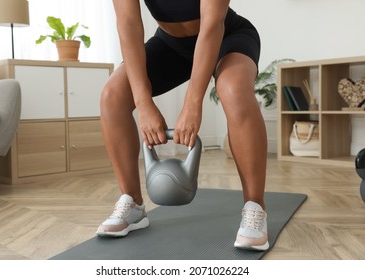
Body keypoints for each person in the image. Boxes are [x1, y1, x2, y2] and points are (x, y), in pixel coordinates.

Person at [97, 0, 269, 251]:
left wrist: (192, 102)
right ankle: (133, 204)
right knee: (112, 95)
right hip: (169, 44)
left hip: (226, 37)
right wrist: (143, 103)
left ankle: (255, 207)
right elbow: (128, 25)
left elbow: (212, 23)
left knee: (233, 89)